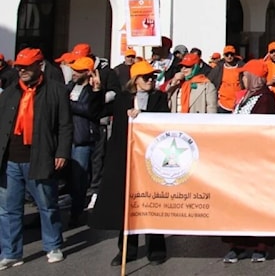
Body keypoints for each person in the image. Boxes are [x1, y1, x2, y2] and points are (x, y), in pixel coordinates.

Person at [89, 60, 169, 266]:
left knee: (151, 203)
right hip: (125, 158)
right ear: (135, 80)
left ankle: (156, 250)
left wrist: (144, 117)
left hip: (150, 159)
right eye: (146, 77)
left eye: (153, 77)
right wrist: (97, 91)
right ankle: (127, 250)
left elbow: (165, 121)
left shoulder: (159, 98)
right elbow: (96, 112)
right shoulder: (122, 99)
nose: (151, 80)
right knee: (127, 205)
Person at [0, 48, 72, 268]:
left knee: (47, 205)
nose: (22, 71)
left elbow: (64, 125)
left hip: (39, 157)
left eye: (26, 67)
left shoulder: (56, 91)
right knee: (8, 209)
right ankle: (11, 252)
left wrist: (61, 152)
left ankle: (53, 245)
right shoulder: (9, 92)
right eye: (19, 67)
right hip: (10, 159)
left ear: (39, 66)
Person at [222, 59, 275, 262]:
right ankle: (237, 244)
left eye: (244, 75)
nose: (241, 78)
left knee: (258, 201)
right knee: (237, 202)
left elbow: (262, 125)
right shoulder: (244, 97)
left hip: (257, 159)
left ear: (254, 77)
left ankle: (260, 245)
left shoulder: (265, 98)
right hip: (238, 158)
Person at [65, 56, 105, 227]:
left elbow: (91, 110)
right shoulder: (70, 87)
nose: (74, 73)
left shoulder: (93, 91)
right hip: (68, 136)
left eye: (79, 71)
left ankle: (76, 212)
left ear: (88, 72)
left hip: (82, 138)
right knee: (69, 177)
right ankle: (74, 206)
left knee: (79, 177)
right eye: (74, 70)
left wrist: (69, 105)